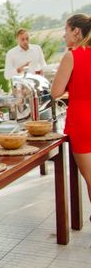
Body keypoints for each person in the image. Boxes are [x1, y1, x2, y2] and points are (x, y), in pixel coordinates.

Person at [52, 14, 91, 212]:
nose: (63, 36)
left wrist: (74, 88)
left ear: (76, 32)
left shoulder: (72, 55)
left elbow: (56, 92)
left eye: (65, 30)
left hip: (83, 121)